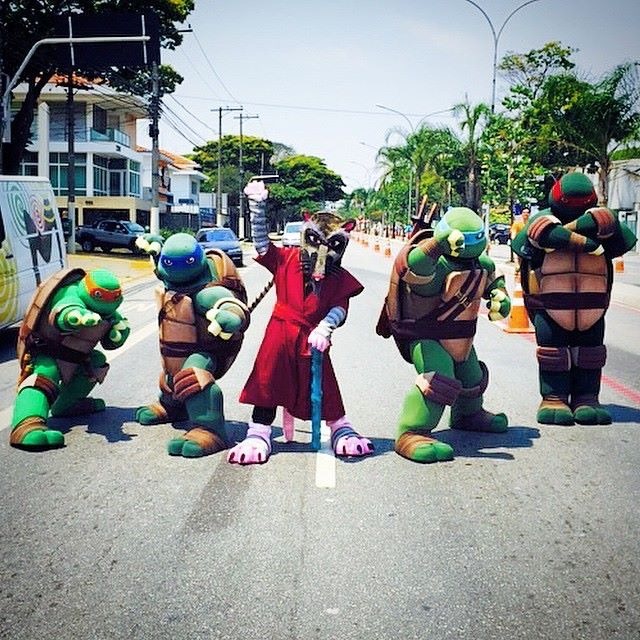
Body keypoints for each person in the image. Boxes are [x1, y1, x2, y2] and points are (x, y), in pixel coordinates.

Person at [228, 179, 374, 465]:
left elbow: (340, 307)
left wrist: (325, 327)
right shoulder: (287, 259)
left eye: (333, 245)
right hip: (280, 335)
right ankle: (258, 432)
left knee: (323, 383)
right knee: (268, 379)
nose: (322, 254)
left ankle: (340, 427)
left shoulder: (337, 277)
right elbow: (262, 247)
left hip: (312, 338)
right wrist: (257, 209)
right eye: (317, 242)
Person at [377, 207, 511, 463]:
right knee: (438, 380)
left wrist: (500, 297)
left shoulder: (481, 264)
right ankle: (412, 431)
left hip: (462, 337)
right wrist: (436, 245)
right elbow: (414, 266)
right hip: (427, 337)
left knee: (471, 377)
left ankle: (468, 414)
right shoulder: (435, 263)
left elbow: (494, 282)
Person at [512, 173, 637, 425]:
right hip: (550, 305)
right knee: (553, 354)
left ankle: (587, 398)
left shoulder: (601, 221)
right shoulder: (543, 220)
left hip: (592, 307)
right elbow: (534, 237)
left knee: (590, 354)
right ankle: (553, 398)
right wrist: (585, 243)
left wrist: (579, 232)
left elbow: (618, 236)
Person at [135, 232, 250, 457]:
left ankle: (210, 429)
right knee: (172, 374)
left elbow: (228, 303)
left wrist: (230, 317)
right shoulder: (169, 277)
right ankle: (172, 406)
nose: (169, 271)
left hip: (206, 351)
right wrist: (157, 249)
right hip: (176, 348)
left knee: (192, 377)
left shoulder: (206, 292)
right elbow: (163, 270)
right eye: (168, 264)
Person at [10, 268, 130, 450]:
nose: (109, 303)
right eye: (100, 295)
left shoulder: (107, 310)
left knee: (96, 363)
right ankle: (26, 425)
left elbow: (112, 337)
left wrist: (118, 333)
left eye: (115, 297)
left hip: (79, 356)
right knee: (45, 373)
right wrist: (75, 316)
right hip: (48, 351)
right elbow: (63, 310)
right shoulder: (71, 292)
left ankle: (67, 405)